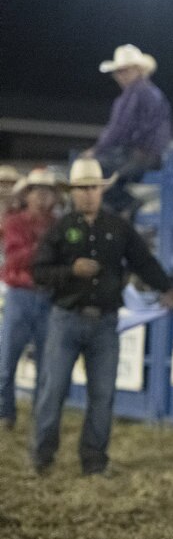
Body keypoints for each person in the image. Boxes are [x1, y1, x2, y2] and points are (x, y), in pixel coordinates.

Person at [31, 158, 173, 476]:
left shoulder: (118, 227)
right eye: (82, 188)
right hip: (67, 317)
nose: (88, 194)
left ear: (101, 190)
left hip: (105, 322)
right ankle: (43, 456)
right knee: (52, 390)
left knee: (102, 394)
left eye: (93, 187)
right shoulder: (61, 228)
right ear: (72, 192)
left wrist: (166, 286)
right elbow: (39, 271)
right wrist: (71, 270)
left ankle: (94, 460)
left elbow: (143, 260)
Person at [0, 169, 62, 429]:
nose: (42, 196)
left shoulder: (56, 224)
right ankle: (6, 413)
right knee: (6, 362)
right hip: (22, 294)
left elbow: (19, 257)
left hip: (44, 295)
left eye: (46, 192)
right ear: (28, 195)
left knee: (46, 365)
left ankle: (38, 415)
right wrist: (44, 249)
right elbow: (15, 257)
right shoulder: (14, 222)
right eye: (37, 191)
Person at [87, 44, 173, 220]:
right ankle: (126, 208)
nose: (121, 76)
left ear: (138, 70)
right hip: (149, 153)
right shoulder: (148, 92)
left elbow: (119, 128)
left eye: (125, 70)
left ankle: (127, 204)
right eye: (119, 71)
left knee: (94, 173)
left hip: (142, 154)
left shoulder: (137, 93)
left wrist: (97, 150)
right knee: (105, 175)